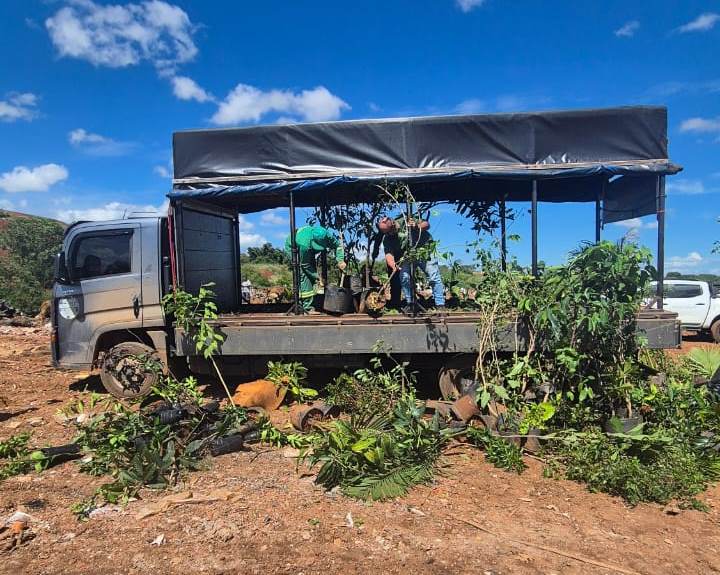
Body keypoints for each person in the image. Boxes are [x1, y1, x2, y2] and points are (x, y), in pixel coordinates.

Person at [376, 214, 445, 314]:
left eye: (390, 230)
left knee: (433, 276)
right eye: (386, 233)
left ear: (392, 223)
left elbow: (427, 224)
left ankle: (440, 304)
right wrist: (393, 265)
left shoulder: (405, 218)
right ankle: (411, 304)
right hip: (409, 255)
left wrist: (417, 226)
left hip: (425, 251)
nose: (390, 234)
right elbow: (388, 254)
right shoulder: (387, 238)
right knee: (403, 276)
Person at [285, 225, 346, 313]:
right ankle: (307, 308)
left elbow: (338, 246)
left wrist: (340, 260)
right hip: (294, 247)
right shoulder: (304, 244)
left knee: (312, 272)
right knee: (304, 276)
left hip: (308, 248)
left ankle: (313, 302)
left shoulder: (326, 235)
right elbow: (305, 265)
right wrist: (318, 277)